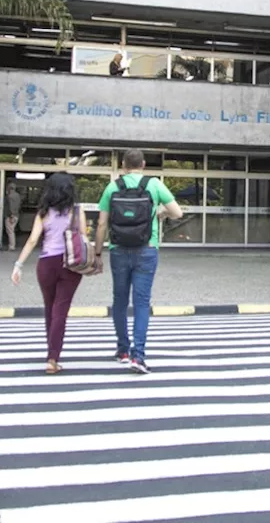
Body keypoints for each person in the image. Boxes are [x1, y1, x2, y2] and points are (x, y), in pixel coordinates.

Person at [92, 149, 182, 374]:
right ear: (143, 164)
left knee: (120, 301)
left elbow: (102, 224)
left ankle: (122, 350)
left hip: (119, 250)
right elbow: (177, 213)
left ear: (123, 166)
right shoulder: (154, 184)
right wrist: (160, 214)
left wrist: (97, 253)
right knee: (141, 303)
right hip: (147, 250)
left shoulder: (112, 187)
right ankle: (138, 356)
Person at [11, 173, 87, 374]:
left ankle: (51, 354)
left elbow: (32, 240)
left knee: (49, 308)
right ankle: (53, 358)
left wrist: (18, 265)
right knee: (60, 310)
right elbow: (83, 238)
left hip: (46, 264)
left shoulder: (43, 212)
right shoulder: (78, 211)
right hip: (70, 264)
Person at [4, 182, 23, 251]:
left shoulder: (10, 196)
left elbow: (10, 206)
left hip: (11, 216)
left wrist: (11, 215)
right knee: (12, 230)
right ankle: (12, 245)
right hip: (16, 215)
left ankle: (11, 246)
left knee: (10, 231)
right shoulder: (18, 196)